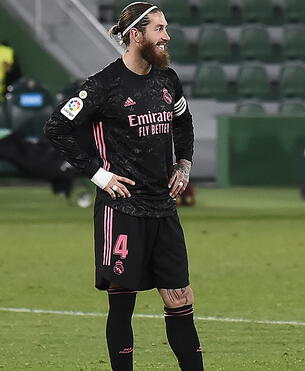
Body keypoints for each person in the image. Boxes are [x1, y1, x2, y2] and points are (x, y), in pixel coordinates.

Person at [44, 2, 204, 370]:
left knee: (180, 297)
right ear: (136, 35)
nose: (167, 36)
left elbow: (183, 123)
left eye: (166, 28)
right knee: (122, 300)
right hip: (122, 209)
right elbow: (57, 128)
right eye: (159, 29)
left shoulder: (168, 79)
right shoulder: (102, 86)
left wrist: (184, 164)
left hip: (163, 208)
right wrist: (99, 175)